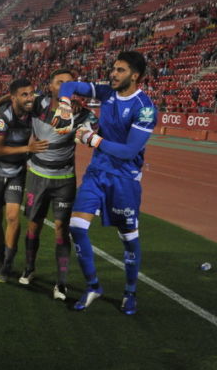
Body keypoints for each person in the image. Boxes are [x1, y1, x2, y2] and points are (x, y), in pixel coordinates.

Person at [55, 50, 156, 315]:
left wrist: (92, 139)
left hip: (124, 179)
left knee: (128, 238)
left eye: (120, 70)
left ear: (135, 76)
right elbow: (69, 85)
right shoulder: (107, 93)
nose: (113, 73)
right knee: (76, 227)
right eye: (113, 68)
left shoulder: (144, 108)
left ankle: (130, 292)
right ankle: (93, 286)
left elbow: (129, 151)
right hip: (97, 173)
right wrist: (65, 103)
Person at [20, 69, 97, 300]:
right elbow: (16, 97)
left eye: (70, 84)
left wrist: (84, 134)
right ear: (51, 87)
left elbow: (92, 135)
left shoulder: (83, 115)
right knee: (33, 226)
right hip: (37, 176)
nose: (65, 86)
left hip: (64, 180)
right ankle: (29, 269)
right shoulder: (37, 104)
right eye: (60, 82)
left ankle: (61, 283)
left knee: (62, 231)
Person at [0, 79, 47, 283]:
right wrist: (29, 149)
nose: (30, 98)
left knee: (12, 217)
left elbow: (52, 96)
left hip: (17, 171)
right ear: (14, 98)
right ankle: (1, 257)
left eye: (31, 94)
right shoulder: (2, 118)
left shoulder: (34, 107)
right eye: (25, 95)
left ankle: (7, 263)